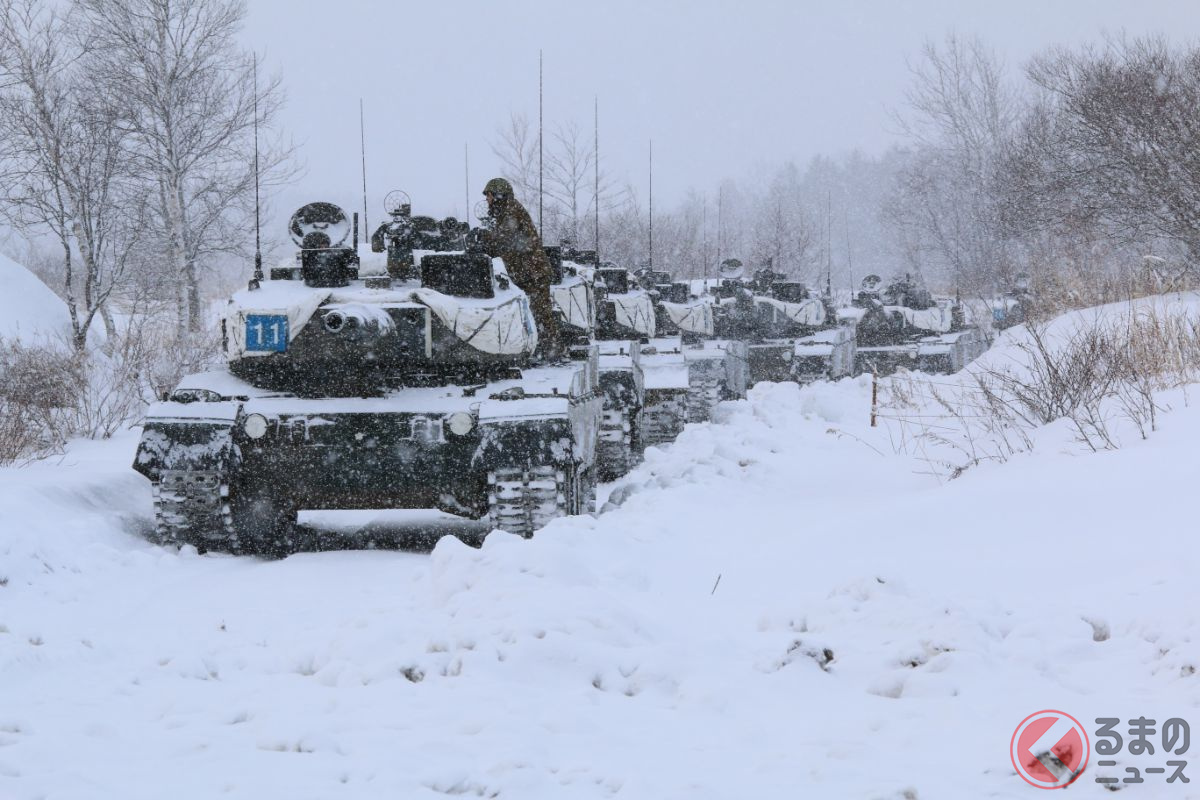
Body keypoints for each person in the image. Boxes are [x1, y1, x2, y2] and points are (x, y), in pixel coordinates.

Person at [480, 177, 560, 360]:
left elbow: (504, 240)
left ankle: (551, 352)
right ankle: (543, 349)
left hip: (533, 272)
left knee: (541, 314)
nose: (487, 200)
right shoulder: (506, 212)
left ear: (499, 196)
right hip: (526, 271)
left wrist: (484, 238)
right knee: (535, 313)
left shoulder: (511, 212)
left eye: (489, 195)